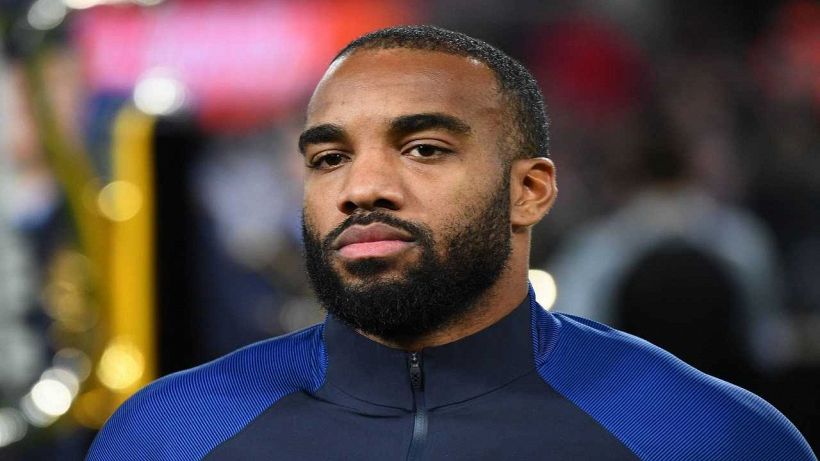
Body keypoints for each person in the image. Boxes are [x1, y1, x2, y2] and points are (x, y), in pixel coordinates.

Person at [87, 25, 816, 460]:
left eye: (424, 149)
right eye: (329, 158)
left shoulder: (709, 437)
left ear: (529, 190)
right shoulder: (167, 436)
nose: (362, 188)